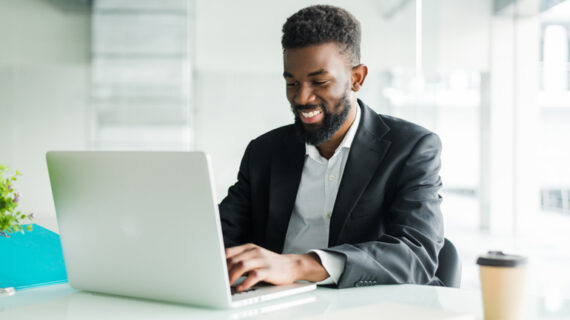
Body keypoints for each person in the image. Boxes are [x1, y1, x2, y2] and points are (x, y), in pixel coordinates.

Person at [219, 5, 444, 292]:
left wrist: (298, 265)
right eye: (292, 82)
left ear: (357, 78)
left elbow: (416, 254)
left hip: (364, 306)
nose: (301, 97)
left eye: (319, 82)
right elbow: (221, 236)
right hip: (274, 305)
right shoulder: (264, 151)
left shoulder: (411, 148)